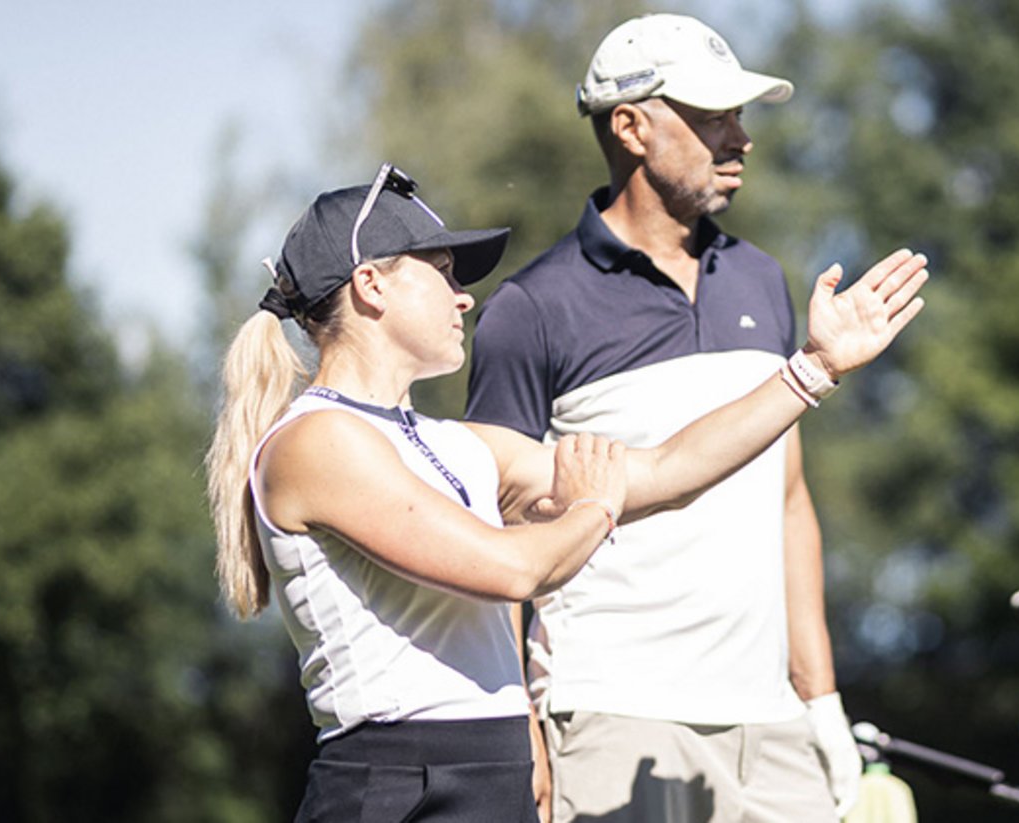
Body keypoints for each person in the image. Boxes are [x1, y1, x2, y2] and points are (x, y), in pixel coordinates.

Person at [205, 163, 927, 822]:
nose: (464, 298)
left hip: (488, 780)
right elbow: (512, 569)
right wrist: (593, 505)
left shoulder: (455, 443)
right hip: (395, 782)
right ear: (372, 284)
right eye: (444, 272)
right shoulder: (317, 441)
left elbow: (665, 470)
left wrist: (813, 368)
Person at [464, 13, 902, 822]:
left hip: (772, 726)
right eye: (712, 118)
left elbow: (789, 500)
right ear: (630, 126)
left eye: (738, 116)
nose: (740, 137)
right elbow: (493, 537)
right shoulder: (531, 308)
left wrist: (822, 702)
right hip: (613, 714)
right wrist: (520, 724)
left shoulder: (763, 280)